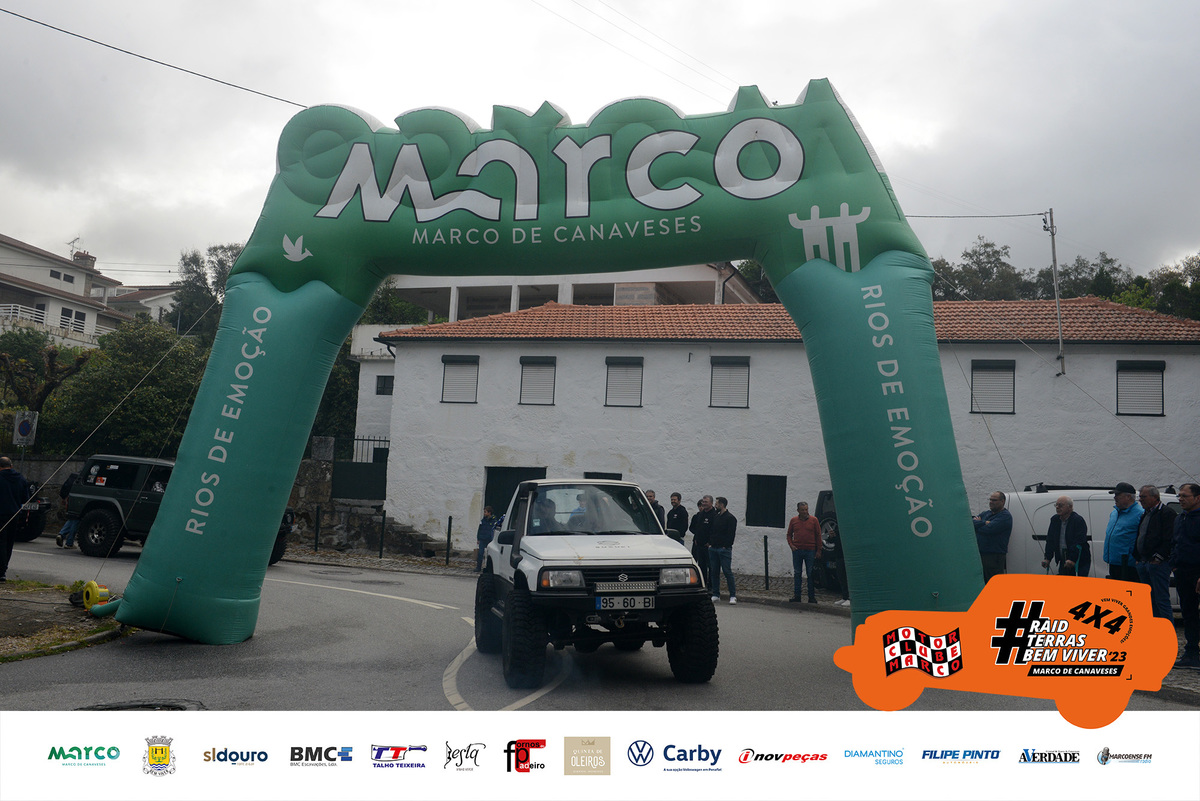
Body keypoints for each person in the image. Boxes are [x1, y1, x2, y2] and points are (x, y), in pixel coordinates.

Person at [1133, 485, 1177, 620]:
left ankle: (1167, 629)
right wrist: (1138, 557)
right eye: (1140, 497)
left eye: (1143, 497)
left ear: (1155, 497)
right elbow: (1141, 535)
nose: (1140, 500)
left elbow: (1169, 538)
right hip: (1144, 561)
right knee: (1150, 600)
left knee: (1161, 600)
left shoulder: (1166, 513)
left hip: (1158, 564)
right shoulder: (1146, 513)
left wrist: (1158, 557)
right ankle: (1155, 628)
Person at [1170, 482, 1200, 669]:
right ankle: (1191, 653)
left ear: (1197, 498)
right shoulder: (1180, 518)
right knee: (1188, 613)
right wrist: (1174, 564)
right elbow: (1175, 542)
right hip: (1182, 572)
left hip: (1197, 573)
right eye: (1179, 496)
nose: (1180, 499)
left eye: (1185, 496)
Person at [0, 456, 32, 582]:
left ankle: (1, 571)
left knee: (1, 542)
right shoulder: (21, 479)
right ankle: (3, 570)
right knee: (9, 543)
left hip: (1, 514)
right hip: (14, 515)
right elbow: (25, 498)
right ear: (11, 466)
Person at [1103, 482, 1143, 582]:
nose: (1114, 497)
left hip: (1128, 565)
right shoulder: (1115, 512)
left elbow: (1143, 539)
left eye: (1117, 495)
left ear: (1128, 497)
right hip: (1113, 562)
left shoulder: (1140, 514)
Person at [1041, 496, 1090, 576]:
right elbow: (1050, 540)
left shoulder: (1078, 520)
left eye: (1060, 505)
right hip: (1063, 558)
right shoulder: (1055, 520)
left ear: (1070, 507)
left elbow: (1079, 542)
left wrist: (1072, 559)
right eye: (1056, 505)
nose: (1057, 507)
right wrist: (1047, 558)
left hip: (1079, 559)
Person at [973, 490, 1013, 582]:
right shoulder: (986, 513)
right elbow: (971, 523)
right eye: (990, 500)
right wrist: (984, 523)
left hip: (994, 557)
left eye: (994, 500)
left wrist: (979, 524)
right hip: (982, 554)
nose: (991, 502)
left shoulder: (1005, 516)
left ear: (1002, 501)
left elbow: (988, 530)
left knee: (992, 582)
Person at [786, 501, 821, 603]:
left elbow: (818, 535)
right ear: (798, 510)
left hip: (810, 550)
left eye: (806, 509)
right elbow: (789, 534)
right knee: (797, 573)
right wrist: (791, 545)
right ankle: (797, 595)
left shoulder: (814, 520)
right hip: (797, 550)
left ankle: (811, 596)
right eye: (802, 510)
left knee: (810, 573)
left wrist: (819, 550)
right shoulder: (793, 521)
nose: (805, 512)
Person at [708, 496, 737, 604]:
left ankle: (732, 595)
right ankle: (716, 594)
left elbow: (731, 534)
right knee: (714, 572)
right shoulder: (716, 517)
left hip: (724, 549)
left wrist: (726, 545)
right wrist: (710, 543)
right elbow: (712, 531)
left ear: (722, 504)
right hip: (713, 548)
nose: (715, 505)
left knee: (727, 571)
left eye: (717, 503)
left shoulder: (730, 518)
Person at [689, 495, 715, 588]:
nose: (704, 504)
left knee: (711, 567)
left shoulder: (714, 515)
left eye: (706, 502)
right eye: (703, 502)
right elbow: (697, 528)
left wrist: (710, 542)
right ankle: (703, 584)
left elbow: (714, 530)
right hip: (699, 545)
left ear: (711, 503)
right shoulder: (700, 514)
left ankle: (711, 586)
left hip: (708, 546)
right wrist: (696, 539)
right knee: (701, 566)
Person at [56, 472, 79, 549]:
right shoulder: (82, 477)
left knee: (71, 519)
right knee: (76, 519)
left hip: (70, 500)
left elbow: (65, 488)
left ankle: (61, 534)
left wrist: (64, 498)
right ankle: (69, 542)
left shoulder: (73, 476)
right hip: (78, 501)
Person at [475, 505, 500, 572]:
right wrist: (478, 538)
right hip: (482, 539)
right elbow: (479, 529)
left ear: (489, 513)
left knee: (489, 555)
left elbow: (495, 530)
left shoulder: (494, 521)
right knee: (480, 554)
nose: (484, 513)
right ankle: (478, 567)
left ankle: (489, 569)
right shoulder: (483, 520)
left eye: (485, 512)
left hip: (490, 540)